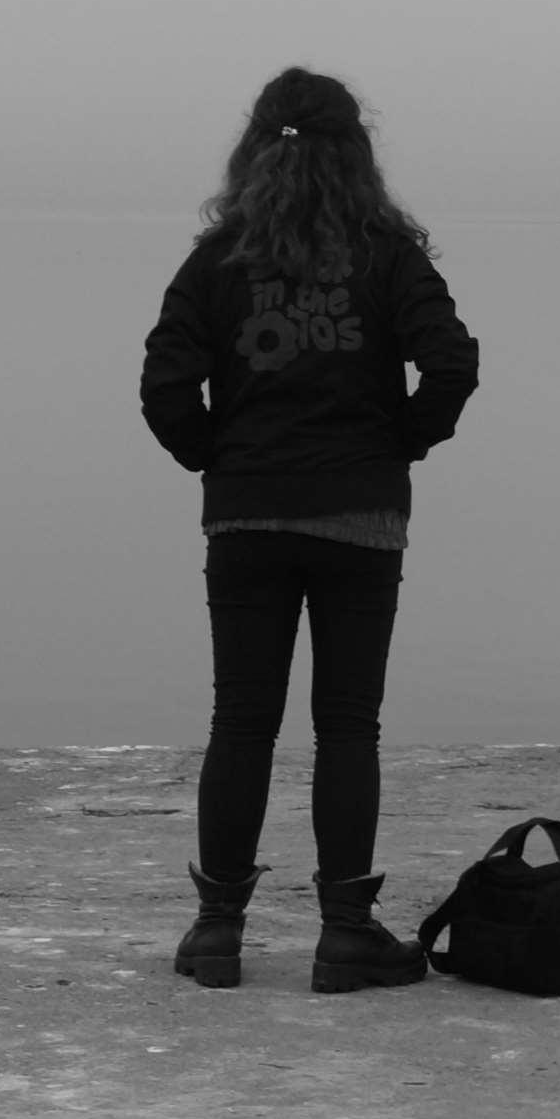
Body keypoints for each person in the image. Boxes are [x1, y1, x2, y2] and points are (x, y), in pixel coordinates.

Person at [139, 67, 480, 991]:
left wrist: (221, 458)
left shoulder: (218, 261)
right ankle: (343, 936)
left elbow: (164, 387)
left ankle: (216, 935)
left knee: (240, 721)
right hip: (360, 518)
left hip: (246, 515)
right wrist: (396, 446)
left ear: (253, 151)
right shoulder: (387, 256)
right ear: (357, 153)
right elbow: (450, 363)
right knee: (347, 724)